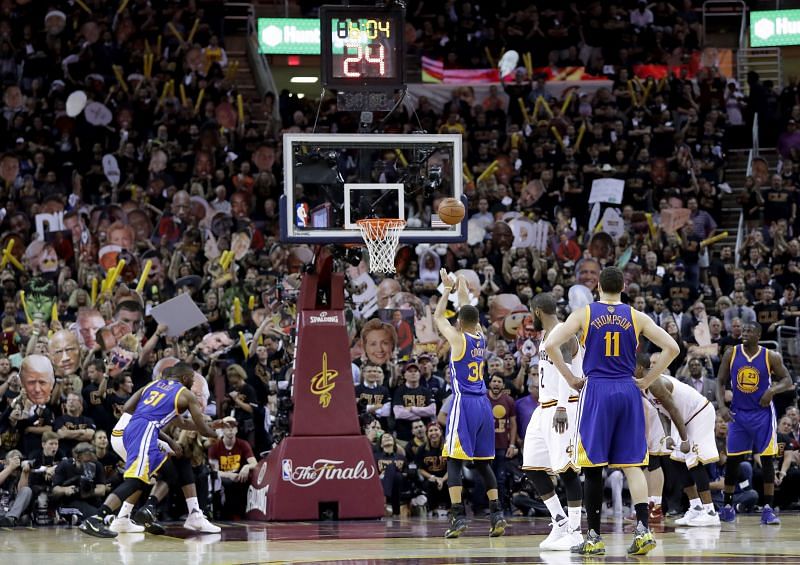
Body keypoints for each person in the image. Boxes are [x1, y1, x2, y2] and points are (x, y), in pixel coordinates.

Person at [544, 266, 679, 556]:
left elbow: (551, 343)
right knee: (632, 464)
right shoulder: (637, 316)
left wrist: (569, 379)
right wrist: (647, 380)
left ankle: (593, 538)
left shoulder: (585, 314)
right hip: (628, 390)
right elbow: (672, 347)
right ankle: (642, 531)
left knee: (593, 466)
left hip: (597, 390)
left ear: (597, 286)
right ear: (624, 287)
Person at [78, 362, 219, 538]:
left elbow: (128, 408)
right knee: (137, 480)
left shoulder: (153, 386)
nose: (192, 383)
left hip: (131, 430)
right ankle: (97, 518)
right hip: (142, 433)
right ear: (184, 378)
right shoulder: (185, 394)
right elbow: (203, 430)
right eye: (191, 379)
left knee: (170, 471)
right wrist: (216, 432)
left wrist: (149, 417)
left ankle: (142, 512)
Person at [433, 268, 506, 538]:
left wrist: (446, 289)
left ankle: (457, 518)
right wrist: (463, 286)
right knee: (483, 463)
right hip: (483, 406)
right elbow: (467, 310)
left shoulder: (457, 338)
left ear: (459, 323)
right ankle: (497, 513)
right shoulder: (480, 336)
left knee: (452, 460)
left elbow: (438, 316)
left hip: (463, 404)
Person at [522, 292, 583, 551]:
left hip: (564, 407)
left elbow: (568, 373)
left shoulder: (564, 333)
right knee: (532, 467)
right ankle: (559, 521)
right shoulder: (545, 336)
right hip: (543, 409)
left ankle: (577, 531)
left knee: (567, 470)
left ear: (537, 312)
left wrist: (560, 405)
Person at [716, 322, 794, 525]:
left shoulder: (770, 356)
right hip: (738, 414)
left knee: (767, 460)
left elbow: (787, 380)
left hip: (762, 415)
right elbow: (720, 381)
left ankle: (768, 509)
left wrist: (772, 391)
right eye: (743, 331)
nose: (745, 333)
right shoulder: (731, 353)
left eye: (749, 331)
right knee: (733, 461)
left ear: (758, 335)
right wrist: (722, 407)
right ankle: (727, 506)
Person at [634, 353, 720, 527]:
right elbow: (661, 411)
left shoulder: (656, 382)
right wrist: (667, 436)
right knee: (676, 460)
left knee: (694, 460)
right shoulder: (644, 385)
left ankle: (710, 512)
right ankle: (695, 507)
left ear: (640, 368)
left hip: (699, 413)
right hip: (683, 418)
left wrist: (684, 438)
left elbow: (673, 411)